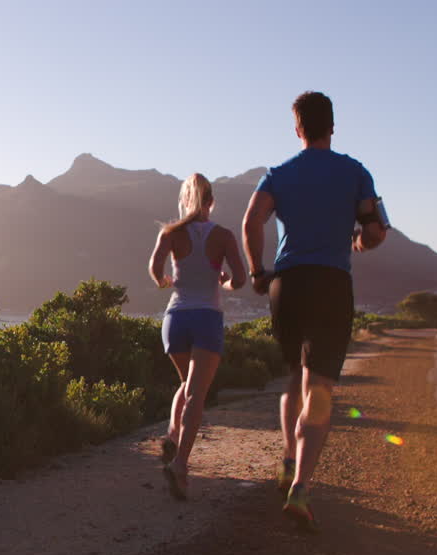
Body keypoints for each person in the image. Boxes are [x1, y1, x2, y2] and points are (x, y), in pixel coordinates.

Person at [242, 91, 389, 532]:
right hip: (329, 284)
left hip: (287, 285)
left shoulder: (279, 175)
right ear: (332, 126)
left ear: (298, 128)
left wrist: (256, 271)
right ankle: (300, 488)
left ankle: (288, 460)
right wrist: (360, 242)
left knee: (293, 376)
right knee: (319, 386)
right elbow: (376, 230)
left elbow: (252, 220)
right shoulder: (355, 172)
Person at [149, 173, 246, 500]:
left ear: (185, 200)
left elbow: (154, 267)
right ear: (211, 202)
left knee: (186, 385)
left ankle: (171, 436)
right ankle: (180, 465)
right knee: (196, 395)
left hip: (175, 318)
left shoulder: (171, 233)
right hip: (206, 318)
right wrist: (224, 282)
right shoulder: (224, 236)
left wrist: (164, 282)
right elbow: (241, 280)